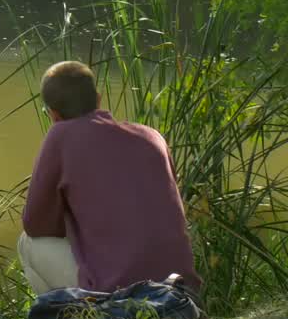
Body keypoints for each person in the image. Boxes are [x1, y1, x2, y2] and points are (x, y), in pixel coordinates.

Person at [18, 61, 201, 296]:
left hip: (121, 294)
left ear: (53, 114)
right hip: (181, 291)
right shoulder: (153, 137)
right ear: (98, 99)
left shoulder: (60, 136)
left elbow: (36, 225)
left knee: (28, 243)